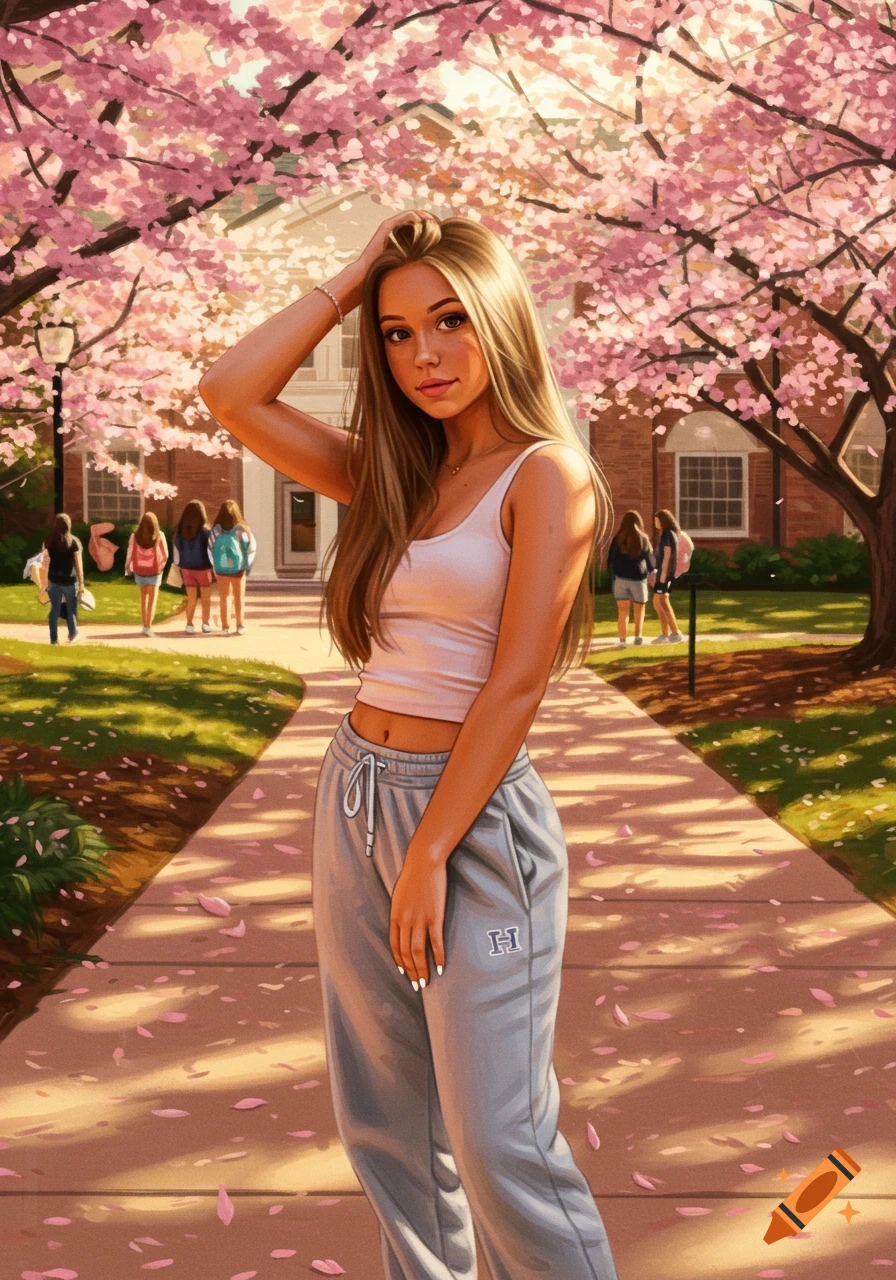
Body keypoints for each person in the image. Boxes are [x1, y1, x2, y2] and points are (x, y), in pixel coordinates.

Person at [200, 211, 621, 1280]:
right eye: (394, 334)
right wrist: (351, 278)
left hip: (470, 821)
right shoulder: (393, 474)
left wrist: (432, 846)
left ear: (499, 322)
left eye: (447, 321)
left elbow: (516, 678)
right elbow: (228, 393)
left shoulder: (545, 473)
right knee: (386, 1130)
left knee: (496, 1141)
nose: (423, 355)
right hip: (353, 794)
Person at [606, 509, 655, 647]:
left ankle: (622, 641)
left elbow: (611, 558)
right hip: (638, 578)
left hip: (621, 578)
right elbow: (649, 558)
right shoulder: (643, 538)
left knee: (622, 612)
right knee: (639, 610)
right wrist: (652, 571)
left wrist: (612, 572)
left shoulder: (618, 538)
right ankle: (638, 637)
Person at [208, 499, 256, 636]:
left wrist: (215, 567)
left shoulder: (215, 531)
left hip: (221, 569)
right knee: (239, 597)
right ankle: (240, 625)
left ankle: (225, 626)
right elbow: (251, 548)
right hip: (239, 569)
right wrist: (247, 565)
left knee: (224, 597)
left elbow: (210, 549)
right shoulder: (242, 530)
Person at [41, 513, 84, 644]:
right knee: (71, 608)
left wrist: (44, 584)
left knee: (55, 609)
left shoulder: (48, 541)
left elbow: (44, 563)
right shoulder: (73, 542)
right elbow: (78, 564)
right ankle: (72, 633)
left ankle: (54, 639)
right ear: (68, 525)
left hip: (53, 580)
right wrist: (81, 582)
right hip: (70, 580)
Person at [173, 499, 214, 635]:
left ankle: (189, 624)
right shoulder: (206, 531)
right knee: (206, 598)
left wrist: (178, 565)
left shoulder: (180, 531)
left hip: (186, 568)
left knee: (191, 598)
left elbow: (177, 550)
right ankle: (205, 623)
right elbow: (210, 550)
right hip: (203, 567)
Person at [125, 512, 169, 637]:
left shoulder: (135, 536)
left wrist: (128, 567)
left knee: (143, 599)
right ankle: (148, 627)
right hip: (155, 571)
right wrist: (161, 566)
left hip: (140, 570)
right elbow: (166, 554)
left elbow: (130, 552)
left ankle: (144, 625)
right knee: (152, 600)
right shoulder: (160, 535)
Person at [650, 508, 685, 644]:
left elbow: (667, 556)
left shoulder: (667, 535)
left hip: (665, 574)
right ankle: (665, 634)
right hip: (664, 574)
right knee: (659, 603)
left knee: (661, 602)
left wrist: (663, 576)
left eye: (657, 520)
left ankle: (675, 633)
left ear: (663, 521)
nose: (655, 523)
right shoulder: (669, 534)